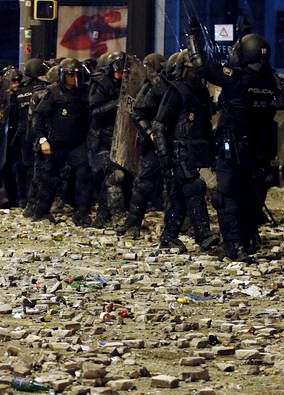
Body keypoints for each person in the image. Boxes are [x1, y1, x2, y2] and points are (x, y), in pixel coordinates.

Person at [189, 25, 284, 258]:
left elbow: (201, 65)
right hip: (259, 150)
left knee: (227, 196)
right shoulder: (270, 80)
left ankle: (235, 246)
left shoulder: (236, 78)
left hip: (233, 147)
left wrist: (193, 37)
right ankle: (250, 239)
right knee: (250, 194)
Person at [151, 51, 220, 253]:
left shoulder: (201, 93)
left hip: (195, 150)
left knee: (179, 198)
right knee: (194, 188)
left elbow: (205, 126)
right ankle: (203, 235)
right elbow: (159, 124)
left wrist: (211, 153)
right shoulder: (176, 91)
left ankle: (168, 237)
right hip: (179, 150)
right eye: (192, 71)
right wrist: (164, 154)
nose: (196, 75)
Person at [27, 58, 91, 223]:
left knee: (83, 175)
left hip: (77, 142)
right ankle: (41, 212)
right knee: (50, 178)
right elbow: (38, 118)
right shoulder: (53, 92)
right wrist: (42, 140)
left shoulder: (84, 92)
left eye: (77, 75)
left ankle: (82, 213)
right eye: (70, 76)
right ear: (63, 75)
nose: (74, 79)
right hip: (56, 142)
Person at [124, 52, 169, 237]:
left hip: (171, 140)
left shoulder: (170, 85)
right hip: (153, 143)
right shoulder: (151, 88)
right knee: (143, 184)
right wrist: (150, 132)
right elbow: (137, 113)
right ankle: (132, 224)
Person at [87, 51, 126, 228]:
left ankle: (103, 215)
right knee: (112, 176)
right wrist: (115, 104)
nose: (121, 75)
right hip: (102, 137)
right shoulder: (101, 84)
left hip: (121, 136)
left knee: (113, 179)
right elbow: (95, 111)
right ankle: (116, 217)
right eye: (118, 72)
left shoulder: (127, 82)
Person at [16, 58, 49, 211]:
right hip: (42, 134)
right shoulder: (47, 89)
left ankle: (26, 200)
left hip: (25, 134)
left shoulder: (20, 92)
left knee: (27, 166)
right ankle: (39, 201)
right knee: (43, 168)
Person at [0, 68, 24, 208]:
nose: (16, 84)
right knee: (6, 168)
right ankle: (12, 198)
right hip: (6, 137)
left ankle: (21, 198)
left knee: (19, 168)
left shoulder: (23, 96)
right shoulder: (3, 96)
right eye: (13, 81)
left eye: (18, 81)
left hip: (19, 137)